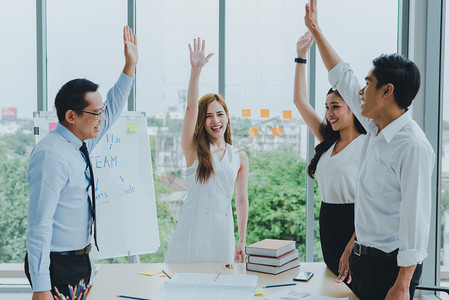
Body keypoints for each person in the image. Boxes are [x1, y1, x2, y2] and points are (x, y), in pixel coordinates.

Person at [304, 1, 435, 299]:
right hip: (363, 258)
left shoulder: (412, 147)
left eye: (369, 83)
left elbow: (416, 223)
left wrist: (402, 285)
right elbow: (341, 75)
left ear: (387, 91)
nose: (360, 91)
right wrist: (316, 30)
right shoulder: (375, 125)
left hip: (391, 269)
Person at [25, 26, 138, 300]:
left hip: (80, 260)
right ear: (71, 116)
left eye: (100, 111)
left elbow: (112, 109)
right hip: (57, 266)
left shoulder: (81, 143)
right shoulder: (51, 155)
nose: (102, 117)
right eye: (95, 113)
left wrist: (130, 66)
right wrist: (41, 287)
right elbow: (39, 224)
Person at [164, 38, 249, 263]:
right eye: (208, 116)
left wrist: (242, 240)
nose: (215, 120)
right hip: (192, 230)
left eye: (220, 114)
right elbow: (191, 108)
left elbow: (241, 200)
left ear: (227, 117)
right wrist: (196, 72)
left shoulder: (239, 157)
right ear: (202, 121)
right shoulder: (193, 149)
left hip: (222, 233)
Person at [293, 31, 366, 285]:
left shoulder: (368, 144)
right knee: (335, 287)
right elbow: (300, 101)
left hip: (357, 228)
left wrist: (353, 242)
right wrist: (301, 57)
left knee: (356, 287)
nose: (329, 113)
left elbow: (375, 203)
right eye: (326, 107)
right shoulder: (328, 138)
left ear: (353, 108)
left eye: (335, 106)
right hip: (329, 224)